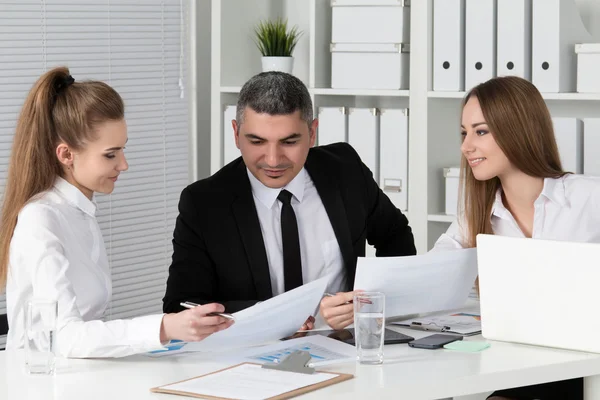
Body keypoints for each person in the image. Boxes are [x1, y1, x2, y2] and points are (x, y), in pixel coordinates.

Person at [0, 67, 233, 358]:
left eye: (122, 150)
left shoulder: (79, 212)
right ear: (66, 155)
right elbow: (64, 336)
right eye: (111, 154)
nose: (123, 165)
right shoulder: (41, 219)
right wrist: (164, 327)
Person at [163, 71, 416, 330]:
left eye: (289, 141)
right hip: (253, 353)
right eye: (257, 141)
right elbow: (181, 305)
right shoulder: (204, 203)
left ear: (312, 132)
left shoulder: (345, 170)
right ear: (236, 133)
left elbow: (395, 235)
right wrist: (277, 316)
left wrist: (365, 301)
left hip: (344, 344)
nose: (273, 160)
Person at [432, 75, 600, 400]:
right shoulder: (478, 214)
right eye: (464, 133)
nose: (466, 146)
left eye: (481, 132)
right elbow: (433, 271)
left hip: (588, 368)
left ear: (517, 130)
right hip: (525, 367)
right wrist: (370, 297)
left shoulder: (588, 197)